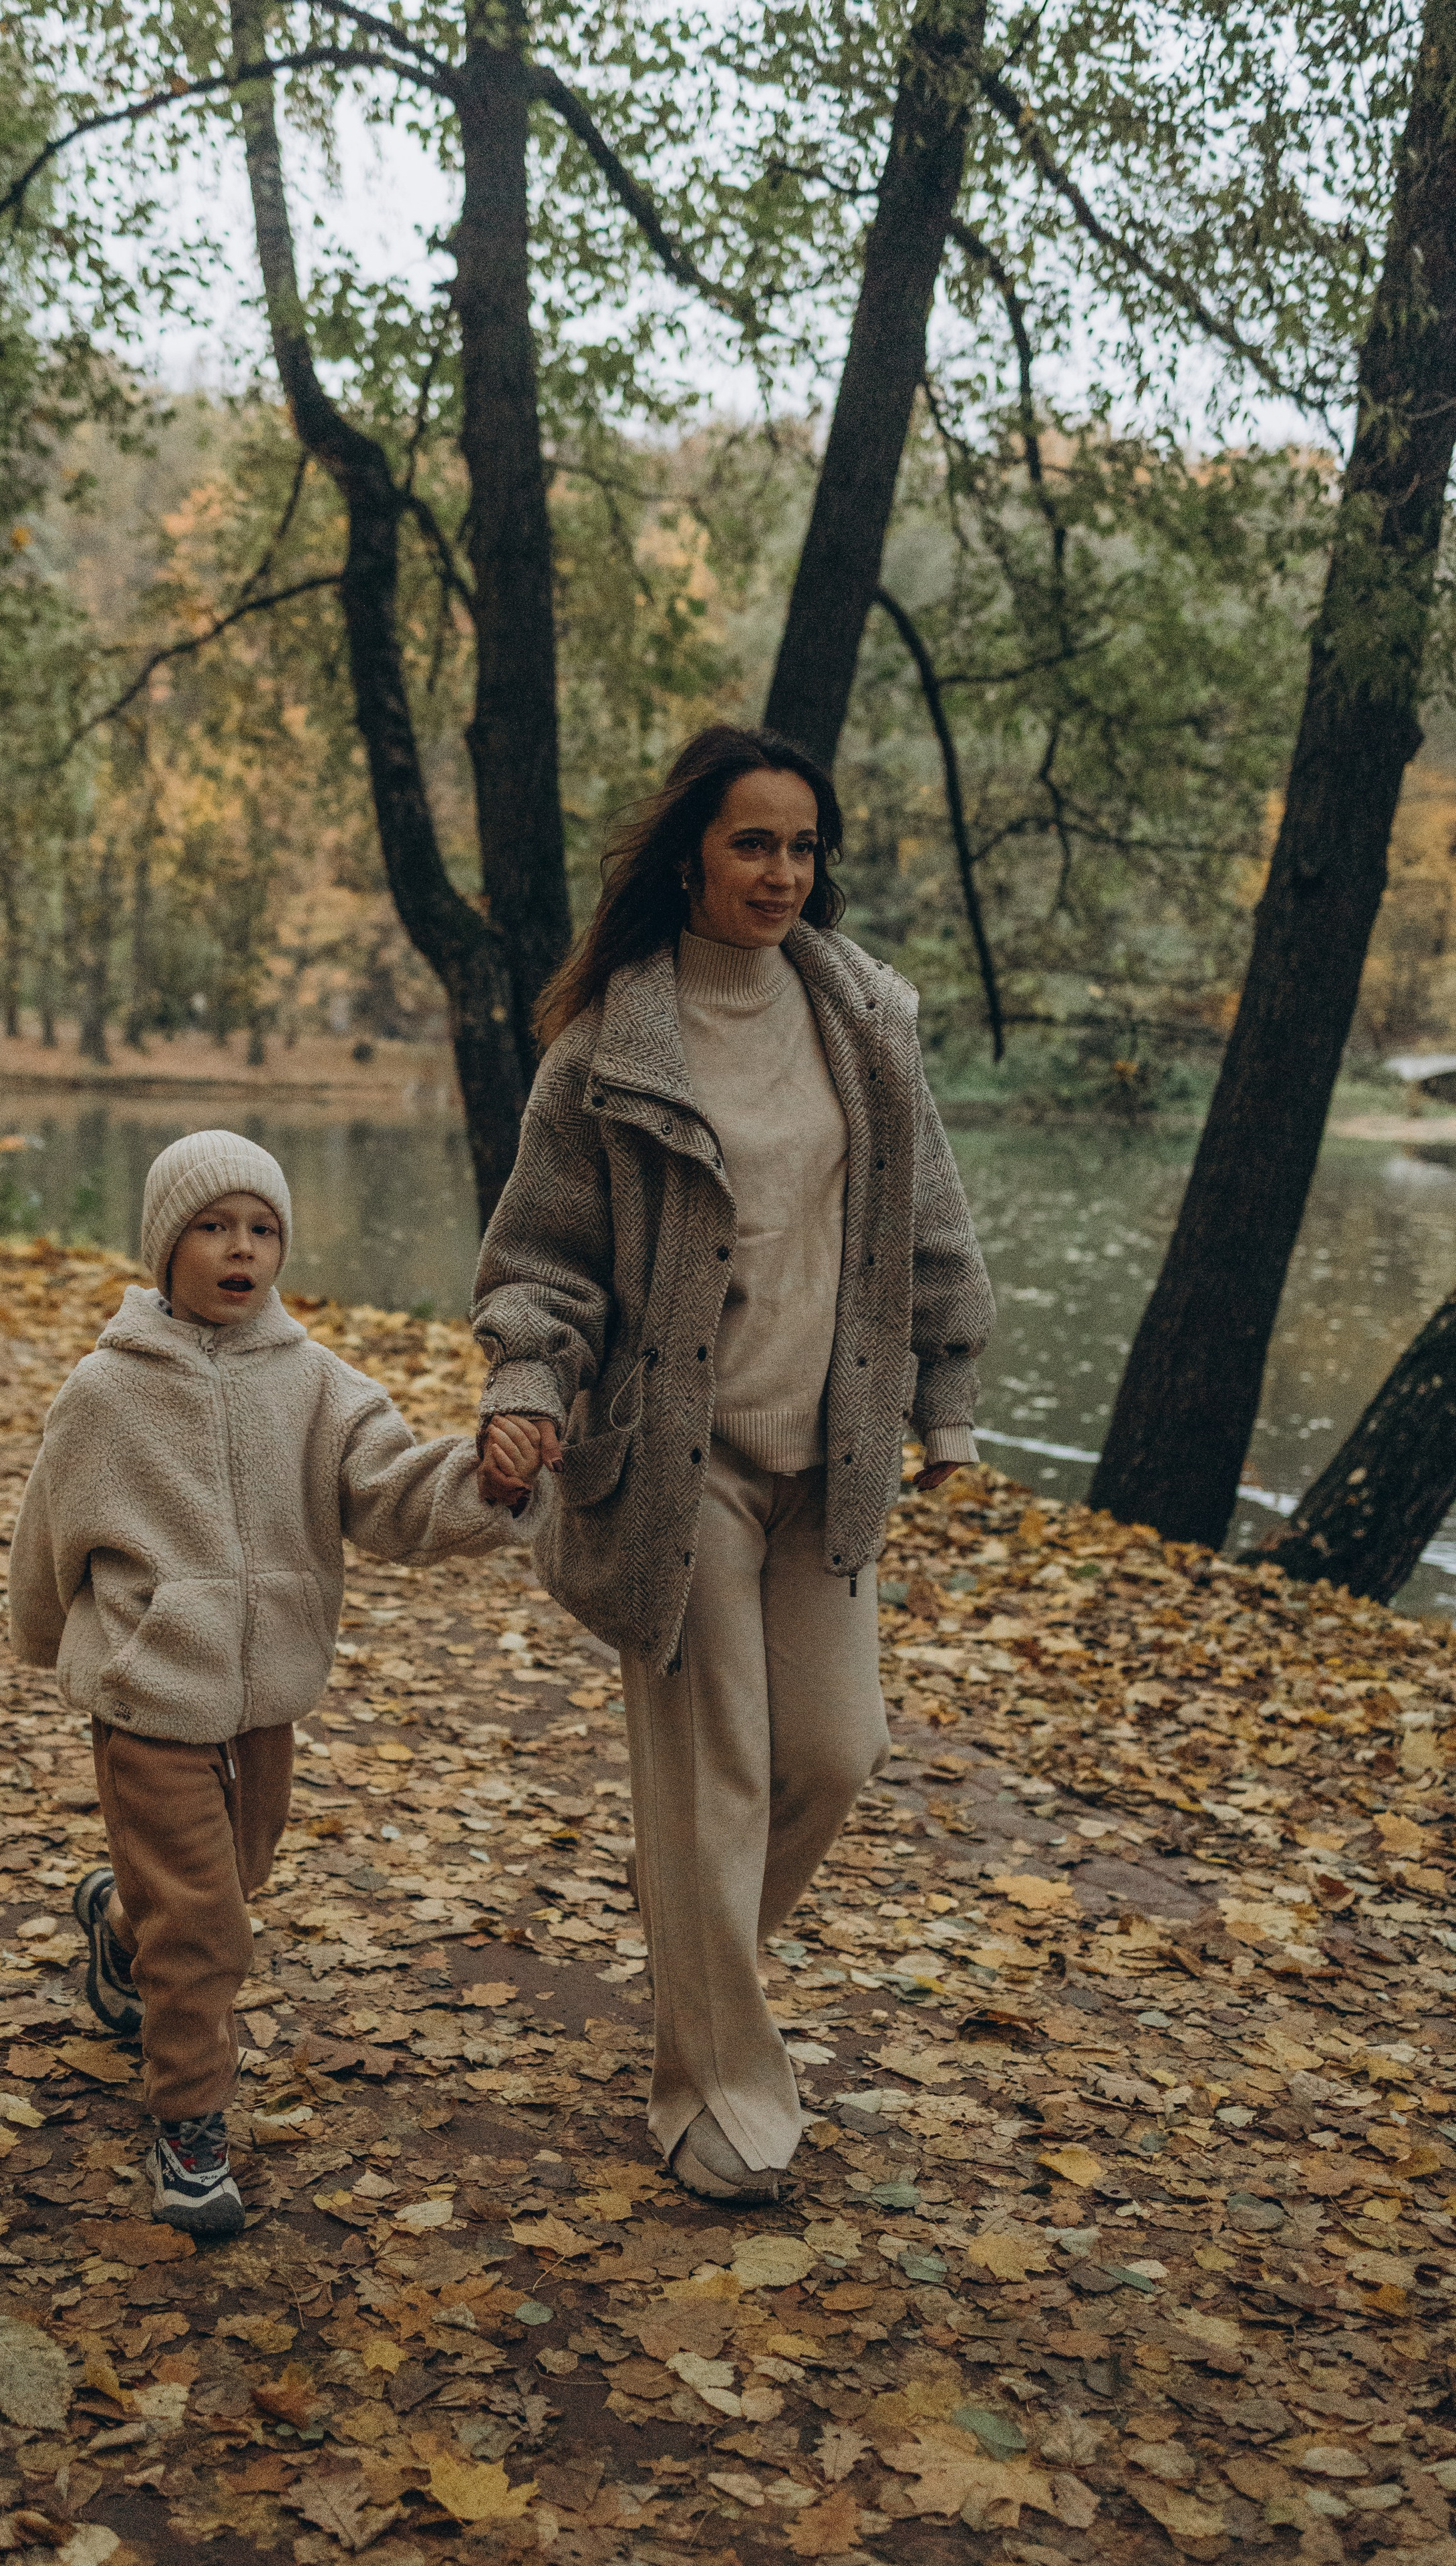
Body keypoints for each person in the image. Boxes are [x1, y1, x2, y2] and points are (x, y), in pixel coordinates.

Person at [471, 726, 994, 2206]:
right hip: (674, 1463)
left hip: (830, 1457)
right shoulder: (609, 1046)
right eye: (752, 843)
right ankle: (716, 2095)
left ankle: (696, 1962)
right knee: (716, 1777)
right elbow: (541, 1262)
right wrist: (526, 1385)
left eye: (802, 846)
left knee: (834, 1754)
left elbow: (930, 1222)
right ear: (690, 857)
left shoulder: (863, 1019)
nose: (781, 872)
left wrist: (945, 1404)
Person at [9, 1129, 541, 2237]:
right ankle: (190, 2128)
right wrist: (53, 1645)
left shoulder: (320, 1386)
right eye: (213, 1227)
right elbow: (51, 1531)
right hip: (150, 1699)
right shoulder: (107, 1390)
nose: (240, 1248)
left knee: (229, 1883)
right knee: (208, 1930)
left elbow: (394, 1495)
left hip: (267, 1706)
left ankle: (120, 1924)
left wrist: (489, 1487)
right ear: (166, 1245)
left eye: (261, 1228)